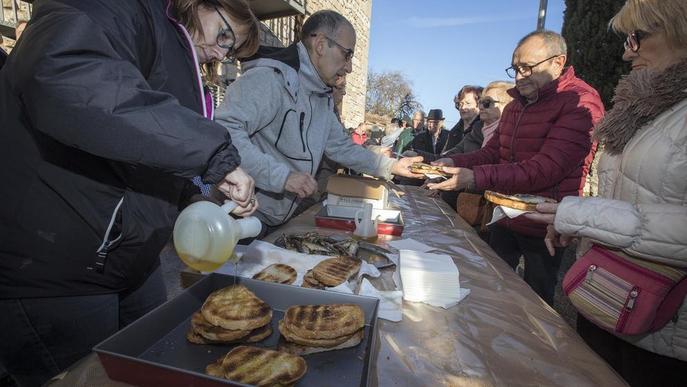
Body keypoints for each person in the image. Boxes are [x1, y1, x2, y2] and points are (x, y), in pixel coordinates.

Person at [0, 1, 261, 386]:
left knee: (155, 370)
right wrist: (210, 151)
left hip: (130, 263)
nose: (221, 53)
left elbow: (150, 150)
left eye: (231, 49)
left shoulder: (171, 36)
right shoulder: (115, 8)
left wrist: (202, 199)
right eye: (224, 35)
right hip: (58, 268)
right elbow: (73, 82)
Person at [526, 1, 687, 385]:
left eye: (638, 37)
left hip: (664, 338)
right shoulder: (644, 111)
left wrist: (582, 216)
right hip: (605, 305)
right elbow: (631, 202)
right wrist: (585, 224)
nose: (626, 50)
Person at [428, 30, 604, 306]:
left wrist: (475, 178)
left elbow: (547, 168)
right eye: (516, 68)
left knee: (535, 301)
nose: (520, 76)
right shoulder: (515, 107)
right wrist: (453, 162)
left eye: (527, 68)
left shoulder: (580, 102)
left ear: (558, 62)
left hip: (544, 222)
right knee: (490, 287)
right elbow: (492, 153)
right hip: (506, 214)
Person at [215, 10, 423, 228]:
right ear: (321, 44)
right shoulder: (268, 78)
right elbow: (223, 132)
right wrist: (283, 177)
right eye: (347, 54)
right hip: (235, 218)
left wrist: (394, 166)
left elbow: (342, 148)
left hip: (275, 221)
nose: (350, 67)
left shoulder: (322, 97)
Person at [445, 85, 484, 152]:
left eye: (468, 103)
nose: (463, 107)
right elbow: (444, 155)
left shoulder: (484, 128)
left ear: (479, 105)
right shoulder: (453, 132)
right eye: (460, 104)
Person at [478, 81, 515, 145]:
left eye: (487, 102)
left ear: (507, 104)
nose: (481, 107)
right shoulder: (481, 130)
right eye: (480, 102)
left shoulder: (511, 133)